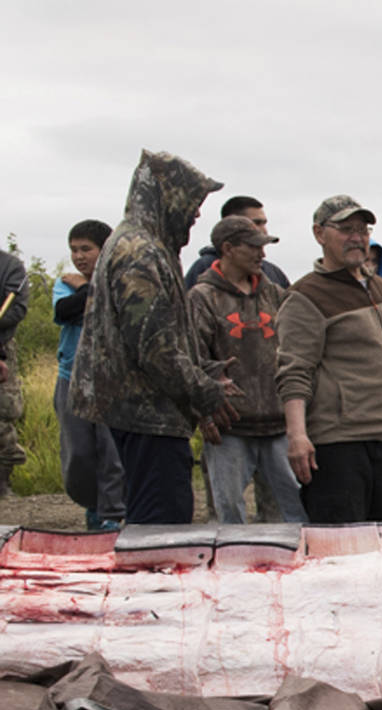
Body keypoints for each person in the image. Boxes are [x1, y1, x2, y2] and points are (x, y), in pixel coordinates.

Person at [70, 149, 233, 526]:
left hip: (151, 413)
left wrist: (203, 368)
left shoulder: (149, 245)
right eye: (191, 203)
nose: (195, 214)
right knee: (162, 528)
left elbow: (159, 334)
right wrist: (204, 390)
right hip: (146, 416)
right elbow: (154, 350)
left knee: (159, 519)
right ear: (166, 196)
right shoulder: (139, 252)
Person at [277, 196, 382, 523]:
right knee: (344, 549)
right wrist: (297, 436)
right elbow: (293, 373)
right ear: (319, 234)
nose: (357, 237)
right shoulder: (306, 296)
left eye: (363, 230)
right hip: (337, 446)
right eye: (345, 229)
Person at [186, 215, 305, 524]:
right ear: (228, 248)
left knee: (295, 513)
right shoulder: (201, 299)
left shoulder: (275, 294)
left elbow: (298, 350)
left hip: (278, 427)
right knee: (228, 516)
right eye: (253, 247)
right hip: (229, 429)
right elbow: (191, 361)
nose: (262, 254)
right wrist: (204, 411)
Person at [53, 219, 124, 526]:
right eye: (74, 250)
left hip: (110, 378)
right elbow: (64, 311)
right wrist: (91, 289)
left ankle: (111, 516)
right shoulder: (63, 283)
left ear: (104, 250)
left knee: (111, 452)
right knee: (78, 454)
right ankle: (92, 505)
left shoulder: (121, 280)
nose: (79, 256)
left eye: (86, 249)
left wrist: (87, 287)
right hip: (71, 376)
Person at [182, 195, 292, 289]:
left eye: (264, 223)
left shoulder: (274, 274)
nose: (264, 230)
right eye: (257, 223)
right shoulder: (203, 269)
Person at [0, 243, 28, 497]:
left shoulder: (10, 267)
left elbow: (17, 308)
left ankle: (2, 484)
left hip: (2, 346)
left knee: (4, 413)